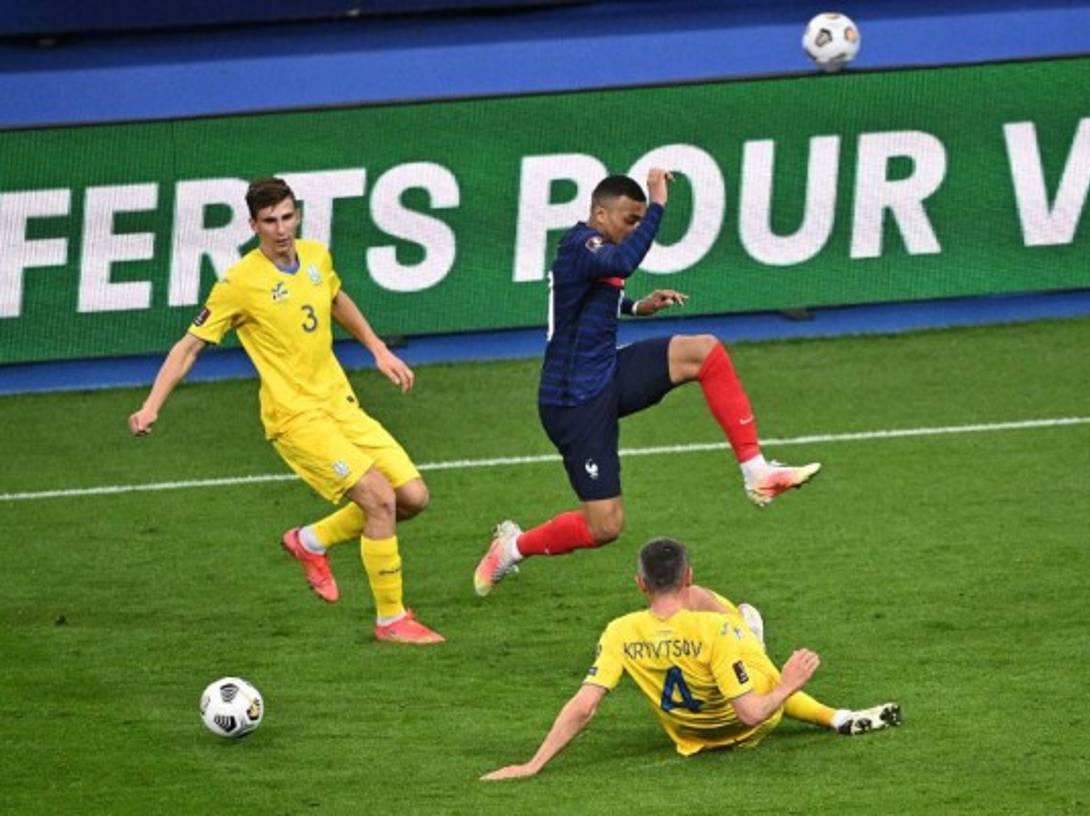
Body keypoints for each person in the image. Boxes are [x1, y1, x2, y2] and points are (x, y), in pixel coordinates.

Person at [128, 176, 444, 645]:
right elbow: (189, 347)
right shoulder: (239, 282)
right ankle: (391, 620)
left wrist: (377, 348)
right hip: (296, 418)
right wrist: (151, 405)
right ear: (253, 224)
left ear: (297, 214)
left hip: (340, 404)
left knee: (412, 498)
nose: (281, 229)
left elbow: (335, 298)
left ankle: (309, 541)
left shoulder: (316, 256)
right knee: (379, 498)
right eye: (270, 221)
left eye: (288, 216)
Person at [473, 170, 820, 596]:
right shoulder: (583, 245)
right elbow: (619, 264)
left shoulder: (595, 252)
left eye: (639, 220)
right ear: (600, 213)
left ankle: (757, 473)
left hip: (607, 372)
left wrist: (639, 305)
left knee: (704, 352)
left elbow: (596, 294)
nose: (634, 228)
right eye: (629, 219)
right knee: (606, 526)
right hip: (574, 402)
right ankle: (510, 549)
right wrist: (657, 204)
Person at [481, 537, 899, 780]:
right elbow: (753, 713)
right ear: (688, 576)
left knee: (727, 637)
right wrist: (790, 681)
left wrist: (532, 764)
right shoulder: (714, 631)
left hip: (691, 738)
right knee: (752, 655)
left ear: (639, 583)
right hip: (746, 726)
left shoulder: (619, 631)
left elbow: (585, 706)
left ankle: (836, 714)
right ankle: (830, 712)